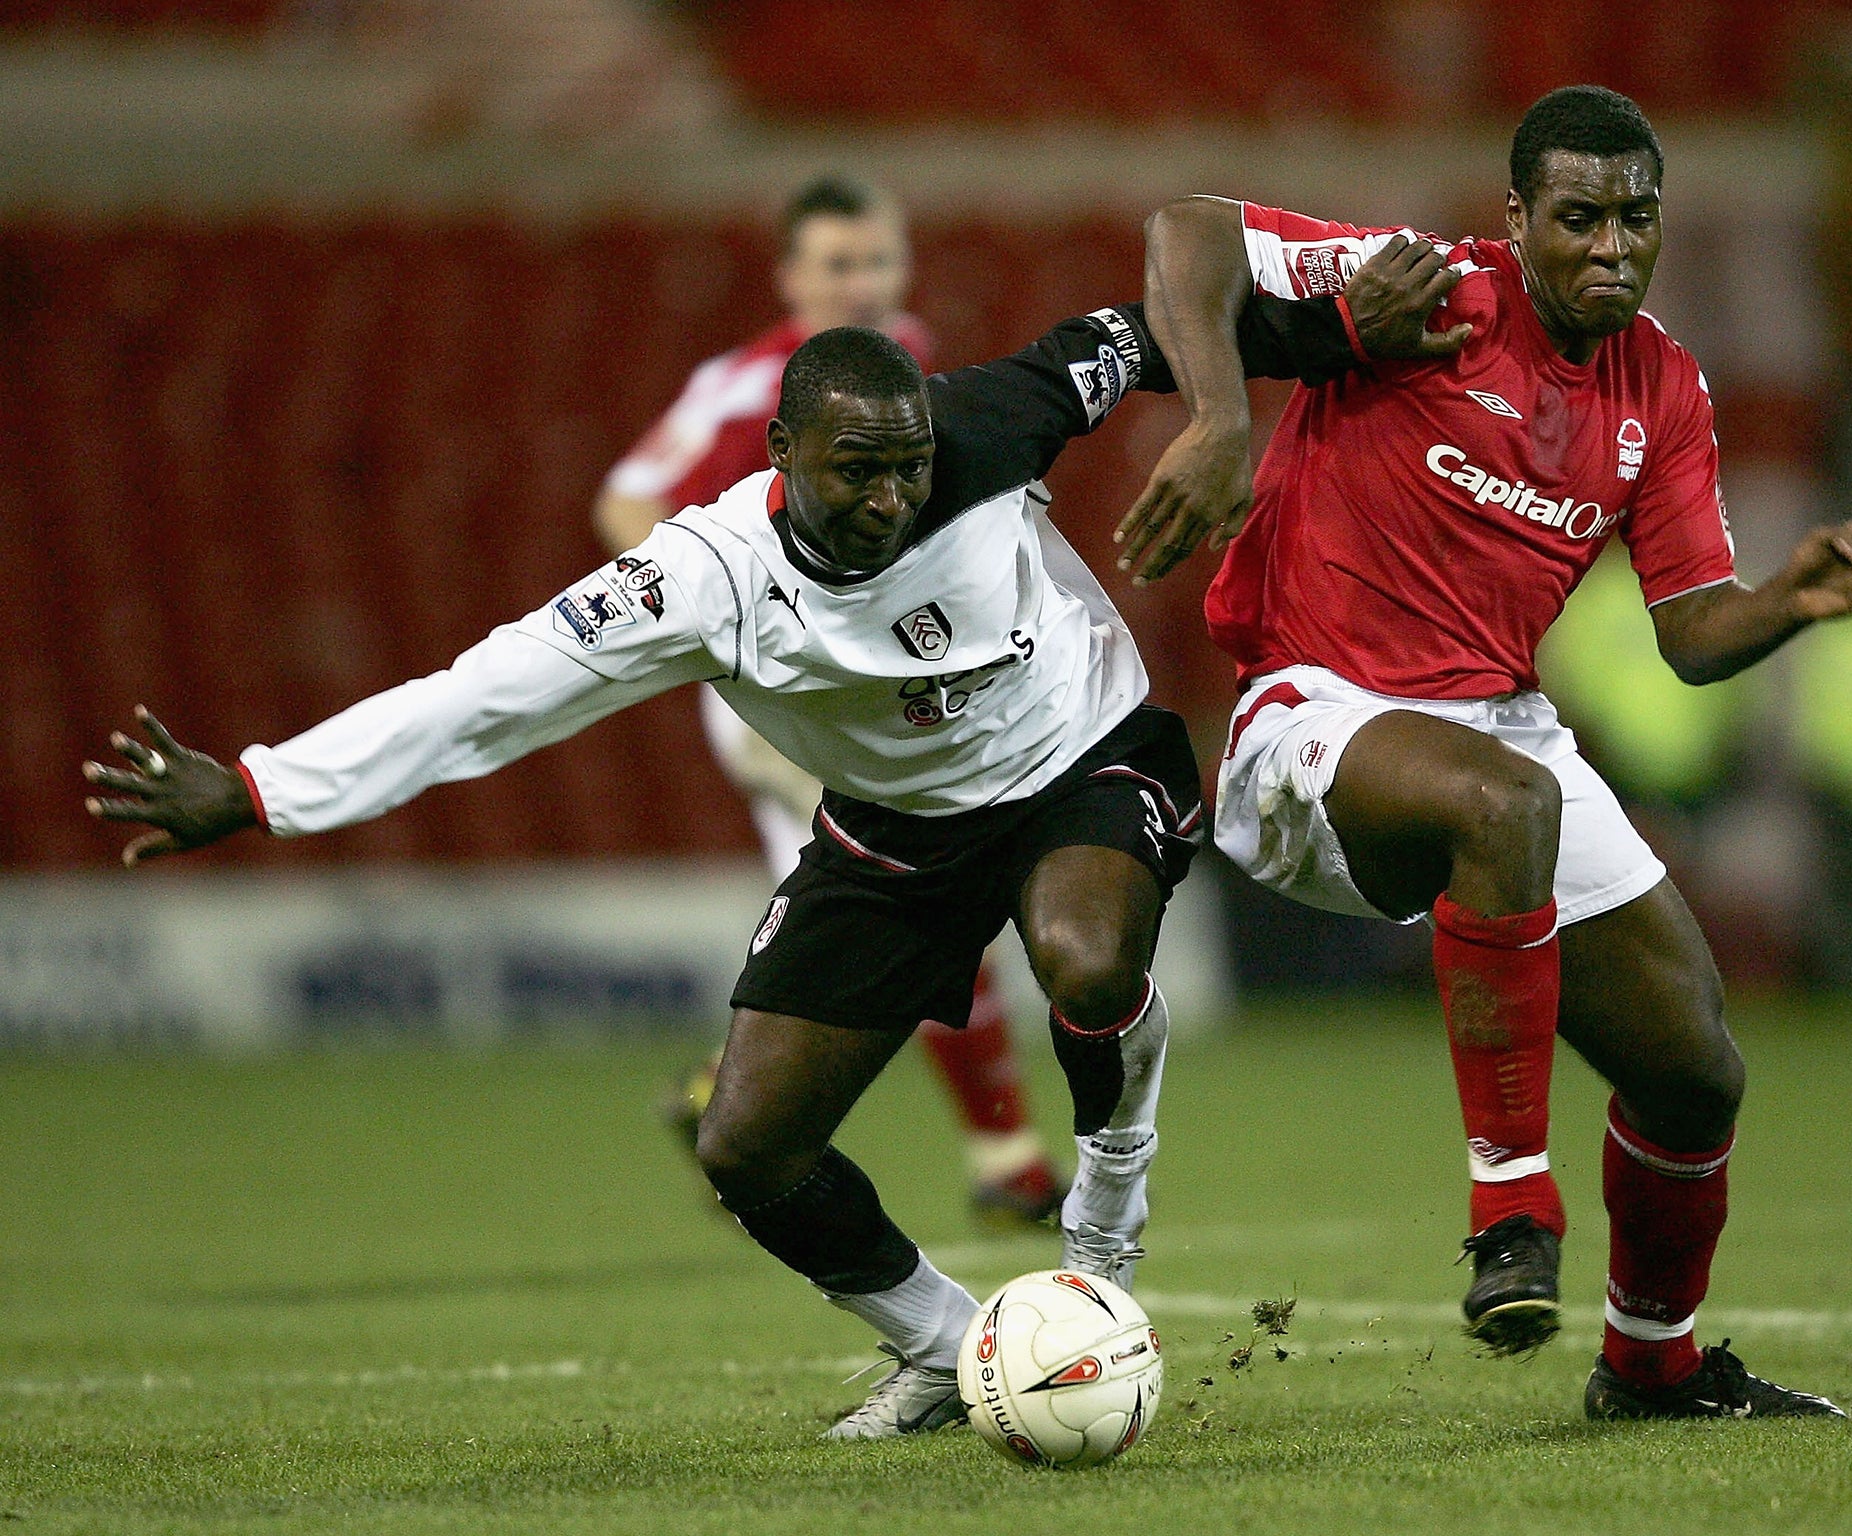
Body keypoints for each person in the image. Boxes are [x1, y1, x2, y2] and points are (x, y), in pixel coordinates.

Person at [84, 294, 1365, 1438]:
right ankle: (945, 1348)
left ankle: (1108, 1206)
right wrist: (259, 787)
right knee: (747, 1146)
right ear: (777, 454)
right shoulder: (699, 582)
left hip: (1084, 752)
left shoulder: (985, 424)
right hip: (894, 830)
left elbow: (1160, 320)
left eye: (905, 469)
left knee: (1084, 957)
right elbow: (481, 700)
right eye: (855, 470)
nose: (887, 498)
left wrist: (1345, 336)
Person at [1120, 84, 1852, 1420]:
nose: (1611, 246)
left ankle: (1652, 1364)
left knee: (1694, 1068)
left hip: (1499, 732)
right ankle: (1509, 1216)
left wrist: (1786, 604)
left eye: (1635, 219)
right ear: (1519, 216)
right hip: (1312, 714)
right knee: (1508, 803)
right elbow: (1189, 233)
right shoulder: (1430, 291)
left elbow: (1692, 632)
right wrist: (1223, 413)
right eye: (1578, 218)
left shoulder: (1662, 384)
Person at [595, 173, 1064, 1226]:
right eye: (837, 265)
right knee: (916, 897)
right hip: (782, 703)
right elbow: (625, 497)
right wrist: (724, 613)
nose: (861, 285)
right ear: (790, 277)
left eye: (877, 261)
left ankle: (733, 1102)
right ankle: (1006, 1159)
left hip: (880, 684)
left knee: (866, 925)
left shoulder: (910, 356)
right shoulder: (746, 381)